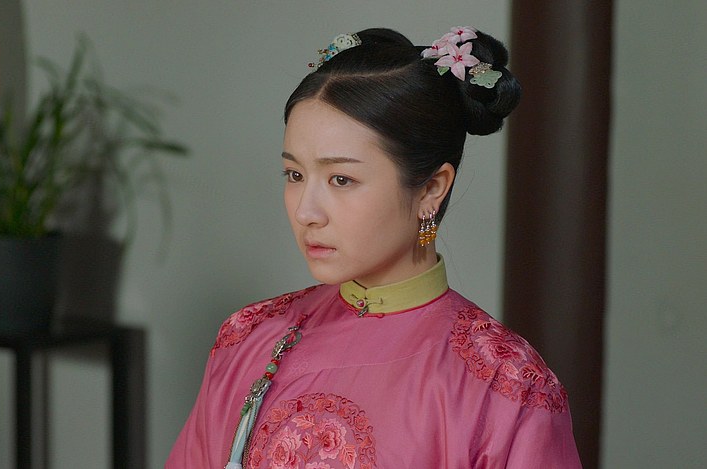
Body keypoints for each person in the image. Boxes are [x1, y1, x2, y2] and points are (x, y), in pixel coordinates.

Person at [167, 26, 581, 468]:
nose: (306, 212)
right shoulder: (250, 337)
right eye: (295, 175)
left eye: (341, 179)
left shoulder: (506, 384)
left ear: (431, 188)